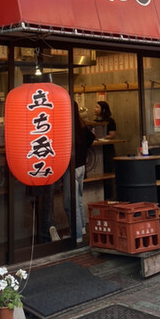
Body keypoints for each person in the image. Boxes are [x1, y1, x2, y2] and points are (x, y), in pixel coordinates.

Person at [63, 101, 95, 243]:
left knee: (70, 203)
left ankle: (76, 236)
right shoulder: (81, 123)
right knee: (79, 200)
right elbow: (91, 138)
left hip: (72, 168)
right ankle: (81, 228)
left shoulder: (67, 126)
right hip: (81, 167)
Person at [94, 101, 117, 198]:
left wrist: (102, 137)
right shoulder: (94, 121)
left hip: (107, 150)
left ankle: (109, 196)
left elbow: (112, 135)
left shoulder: (110, 121)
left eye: (97, 107)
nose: (95, 109)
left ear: (103, 110)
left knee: (108, 173)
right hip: (97, 151)